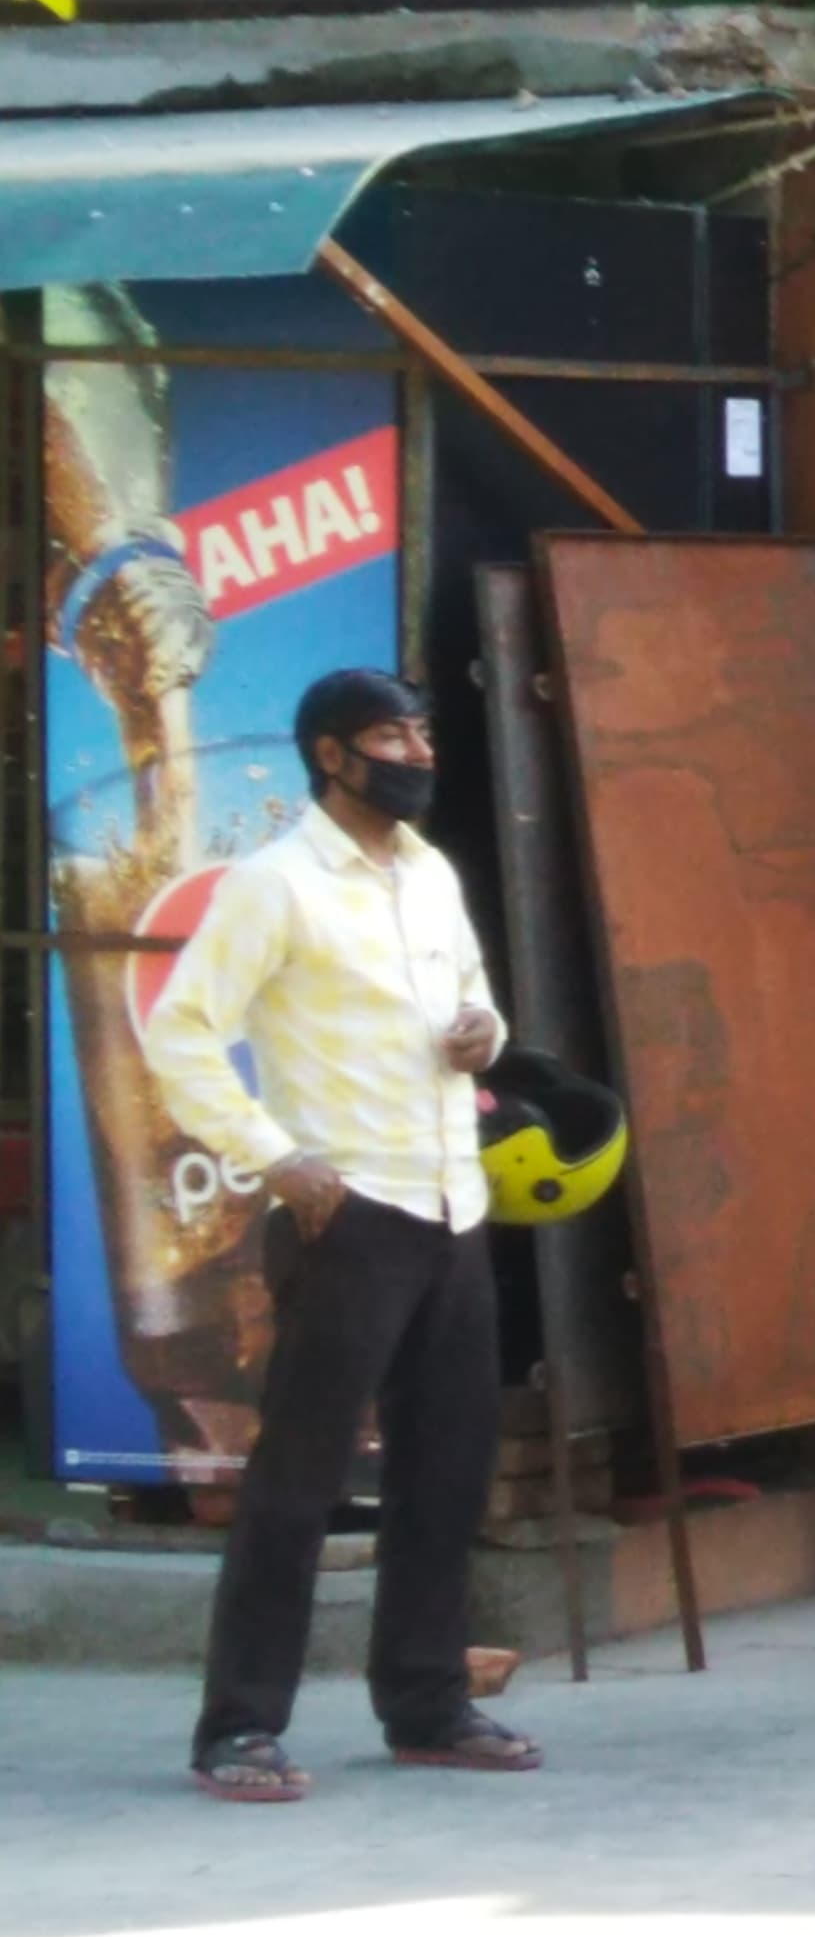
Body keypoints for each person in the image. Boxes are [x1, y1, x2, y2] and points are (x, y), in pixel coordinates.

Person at [141, 668, 532, 1801]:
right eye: (386, 734)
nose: (413, 750)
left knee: (447, 1473)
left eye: (419, 730)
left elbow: (476, 996)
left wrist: (482, 1029)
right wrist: (279, 1158)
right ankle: (240, 1728)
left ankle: (426, 1704)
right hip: (346, 1211)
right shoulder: (275, 884)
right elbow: (182, 1036)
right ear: (329, 755)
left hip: (453, 1201)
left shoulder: (432, 872)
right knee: (298, 1483)